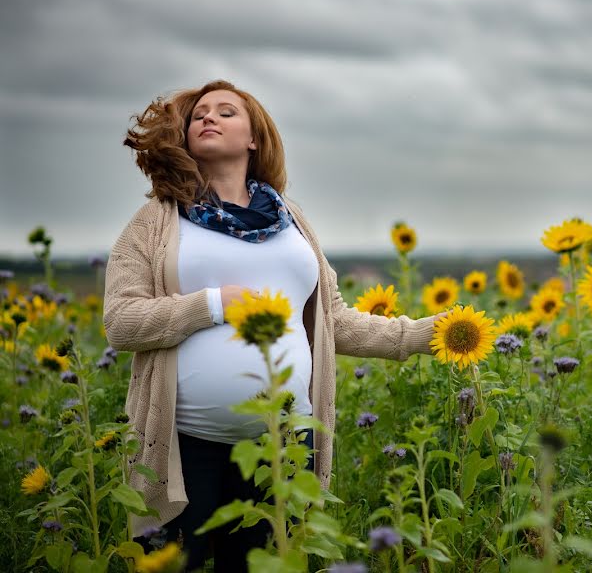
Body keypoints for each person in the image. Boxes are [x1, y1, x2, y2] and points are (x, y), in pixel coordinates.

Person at [104, 79, 444, 571]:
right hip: (184, 445)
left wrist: (419, 334)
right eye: (199, 113)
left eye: (226, 112)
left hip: (283, 442)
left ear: (253, 139)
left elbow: (332, 323)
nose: (208, 118)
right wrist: (215, 304)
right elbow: (121, 321)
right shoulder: (155, 222)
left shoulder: (292, 222)